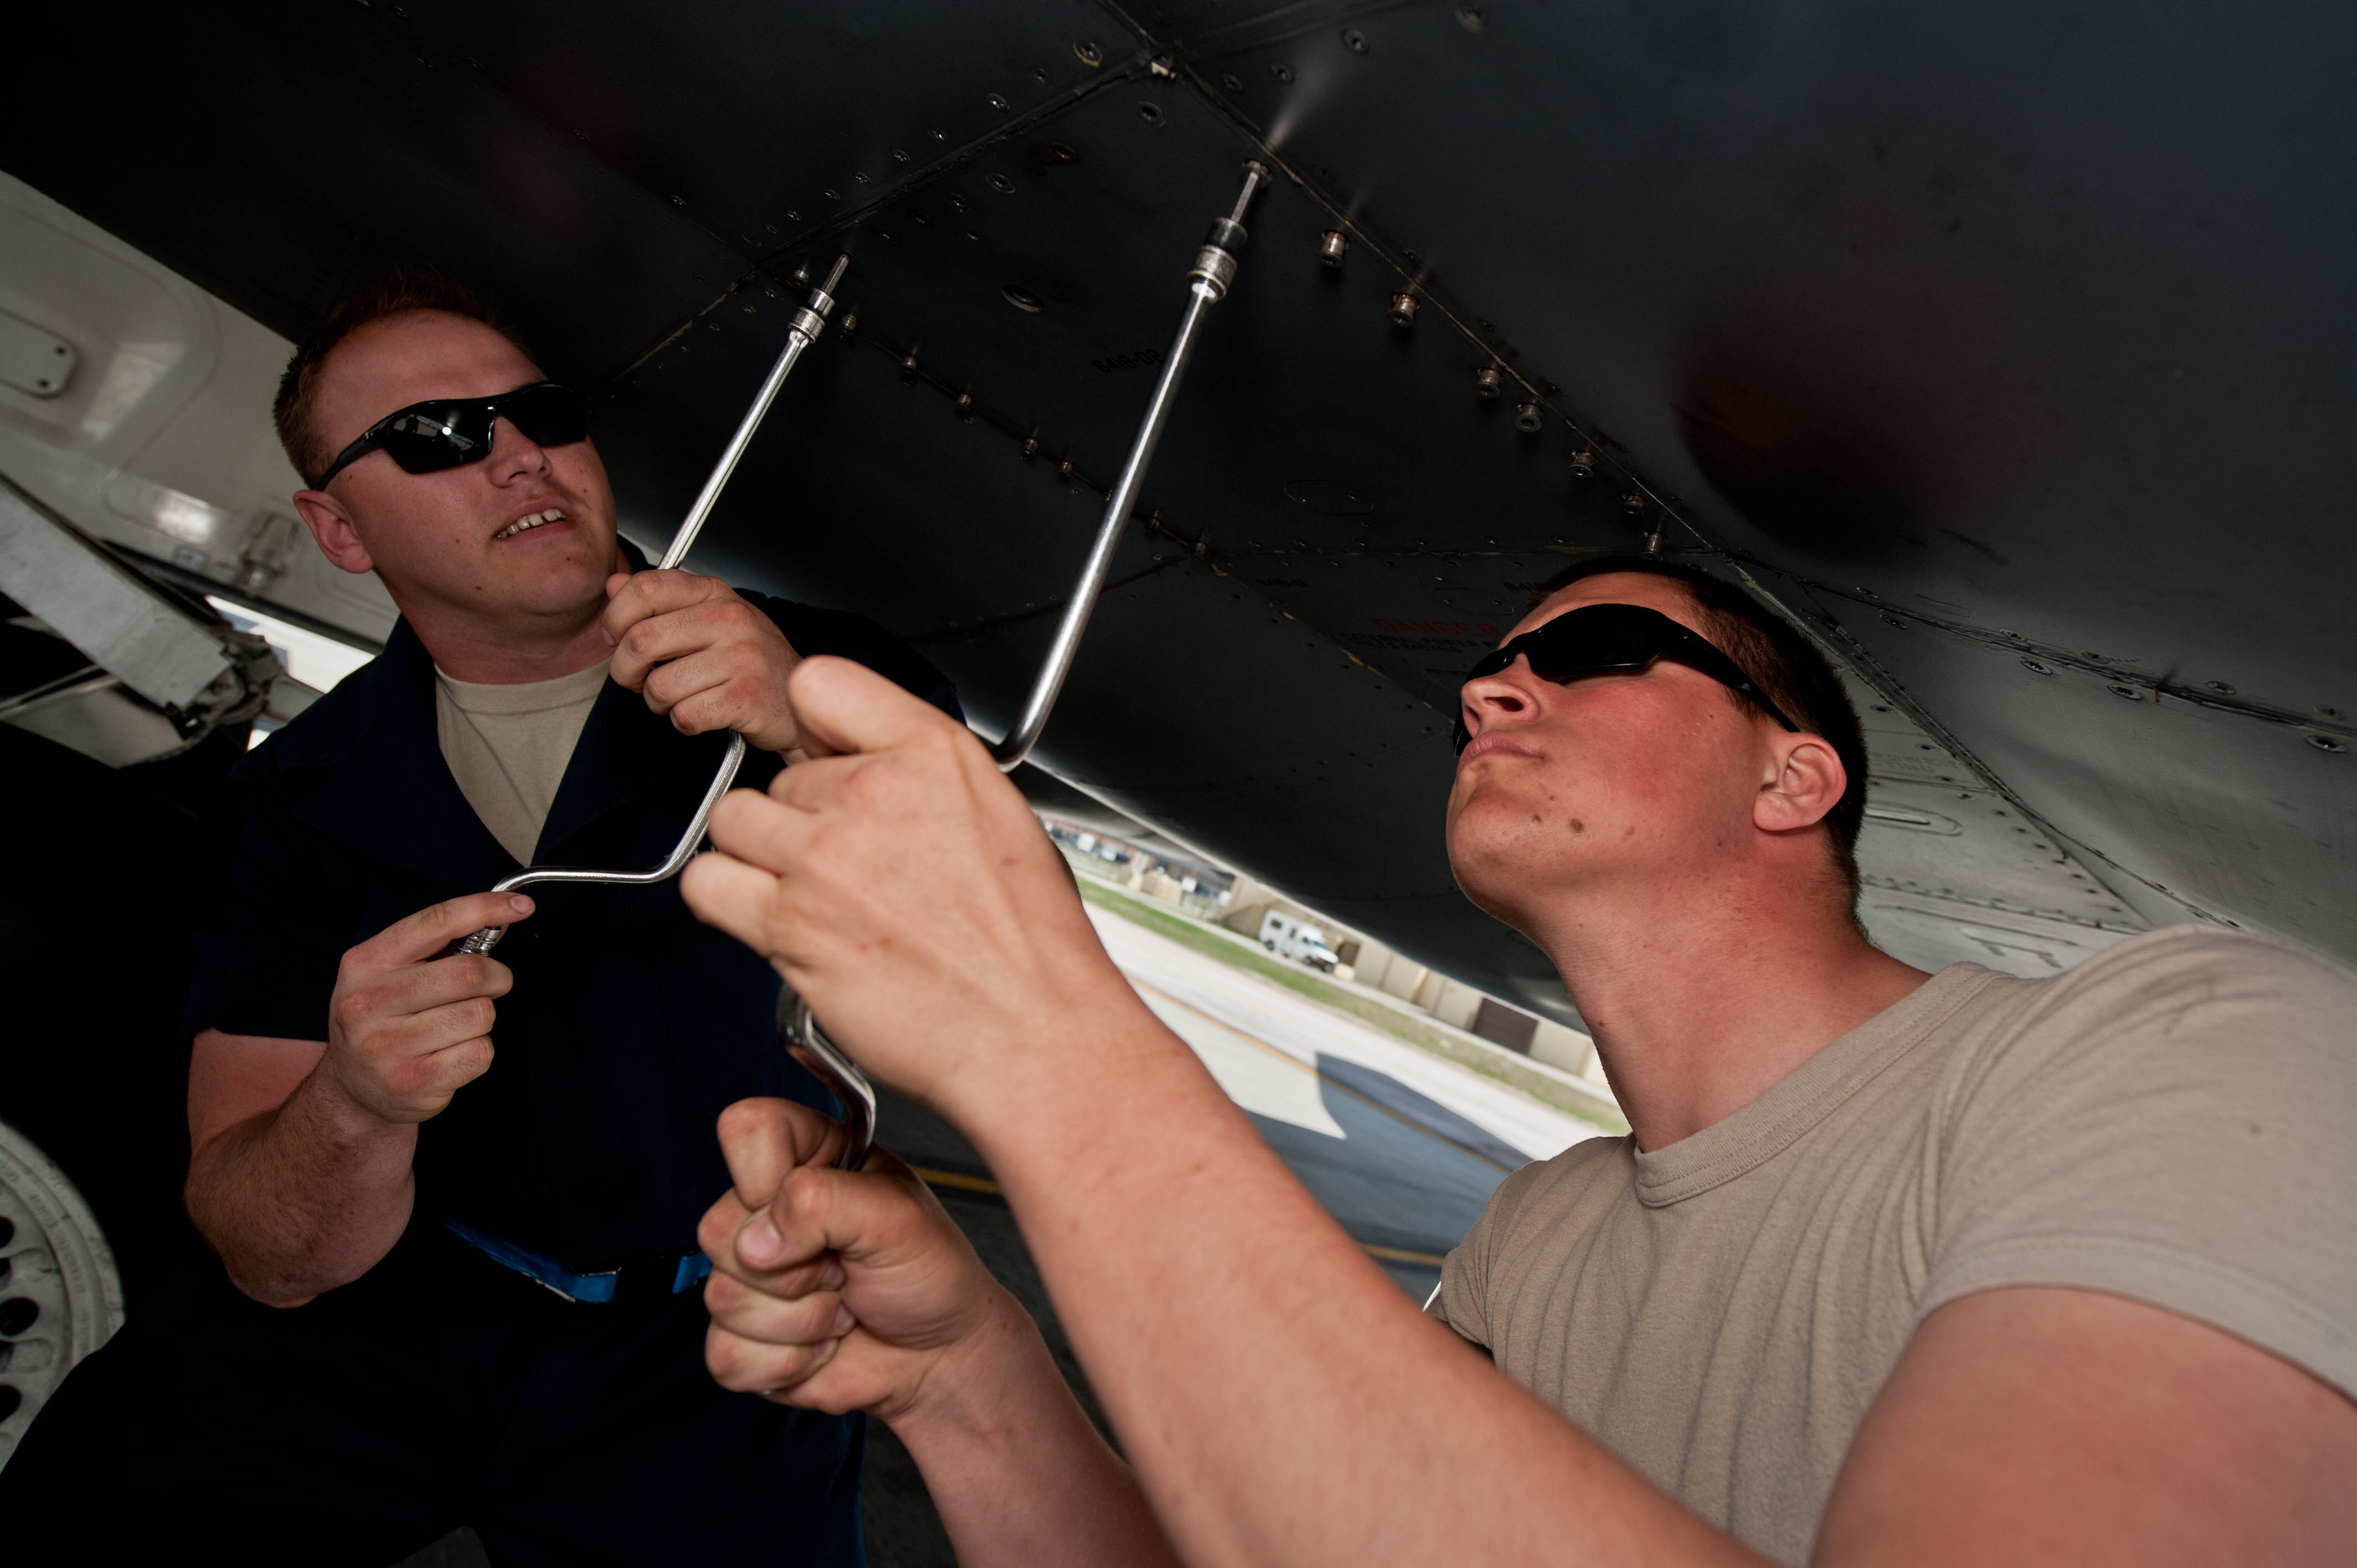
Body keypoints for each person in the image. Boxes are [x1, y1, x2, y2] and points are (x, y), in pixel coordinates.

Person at [674, 557, 2357, 1567]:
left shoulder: (2193, 1047)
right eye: (1491, 669)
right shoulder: (1536, 1241)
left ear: (1795, 780)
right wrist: (967, 1373)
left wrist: (1052, 1049)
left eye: (1592, 653)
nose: (1493, 688)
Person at [0, 272, 959, 1564]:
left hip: (711, 1346)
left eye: (539, 414)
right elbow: (271, 1255)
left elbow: (1021, 978)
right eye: (435, 438)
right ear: (339, 531)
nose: (515, 457)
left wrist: (812, 728)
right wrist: (353, 1103)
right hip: (391, 1319)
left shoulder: (835, 679)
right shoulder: (300, 795)